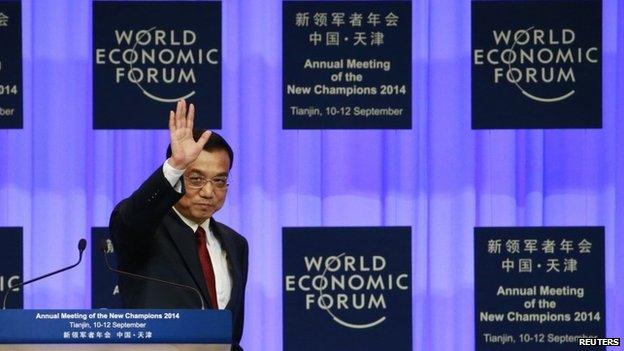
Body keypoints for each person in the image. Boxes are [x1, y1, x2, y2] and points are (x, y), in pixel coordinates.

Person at [109, 100, 248, 350]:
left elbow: (232, 333)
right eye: (195, 179)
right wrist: (174, 167)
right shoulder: (146, 230)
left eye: (219, 180)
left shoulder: (236, 243)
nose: (208, 191)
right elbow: (130, 219)